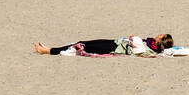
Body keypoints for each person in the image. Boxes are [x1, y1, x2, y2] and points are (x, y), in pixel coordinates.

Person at [33, 34, 173, 57]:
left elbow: (139, 50)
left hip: (113, 48)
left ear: (160, 41)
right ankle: (50, 48)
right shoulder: (152, 45)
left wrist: (133, 39)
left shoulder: (151, 49)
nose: (158, 34)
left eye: (161, 36)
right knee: (82, 42)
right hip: (114, 42)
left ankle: (47, 51)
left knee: (81, 45)